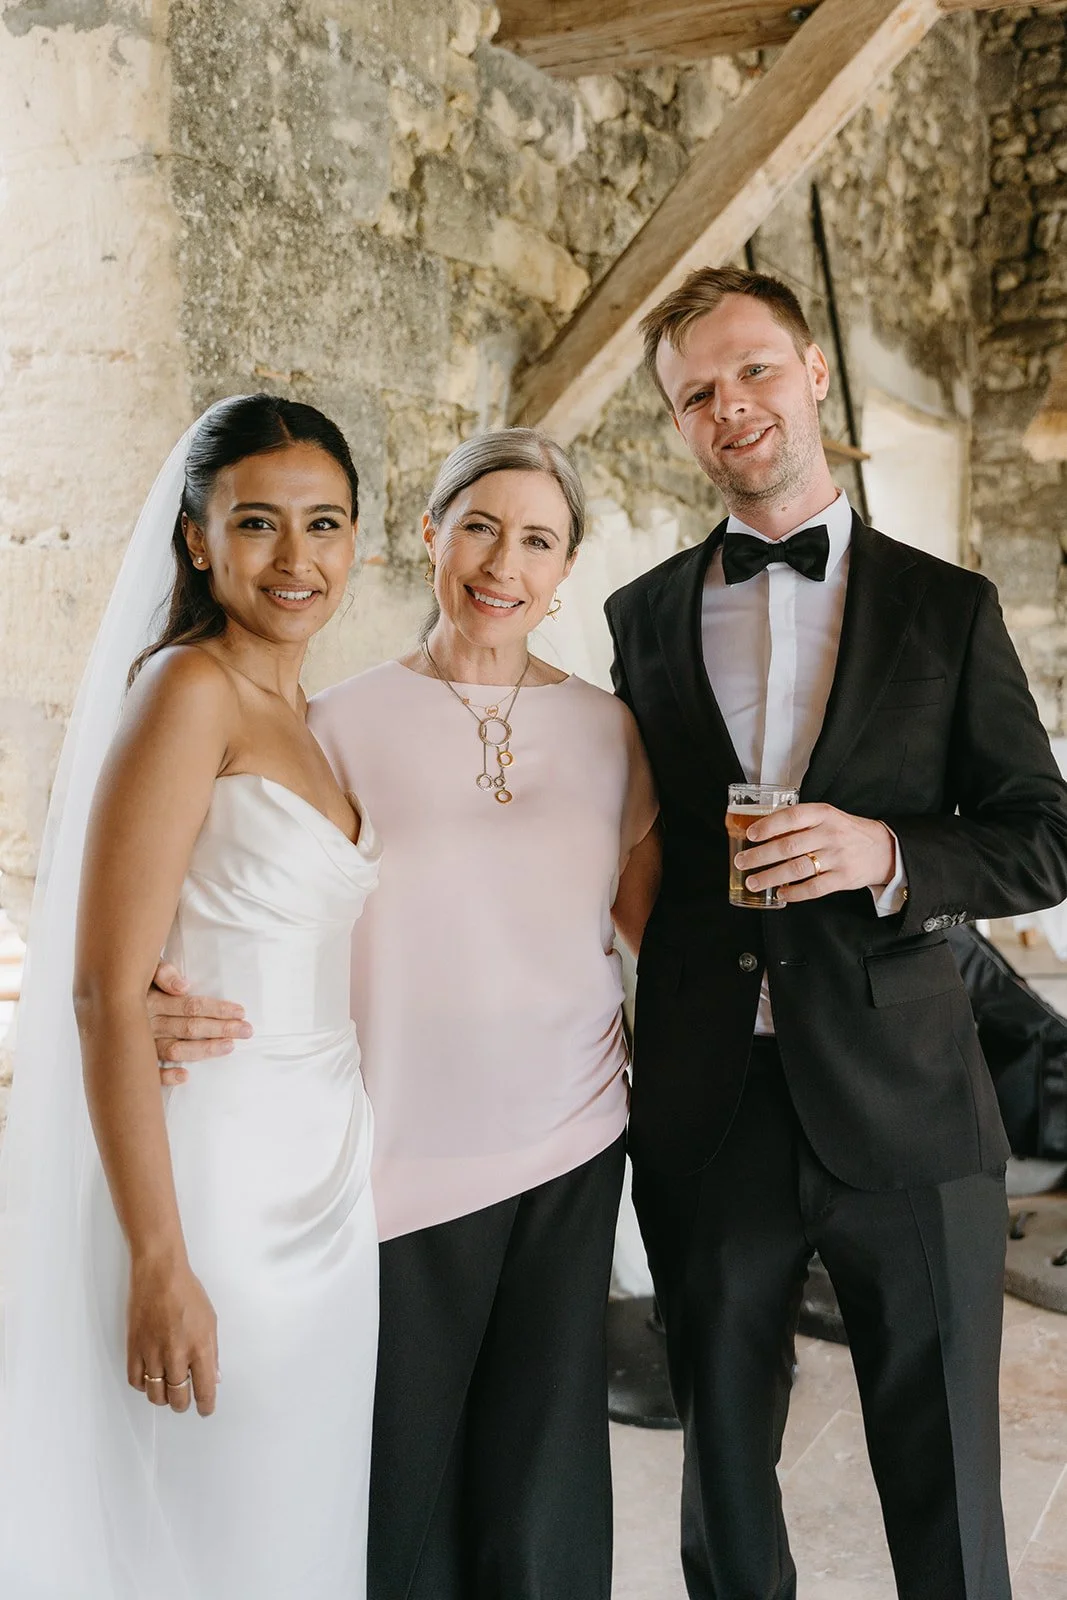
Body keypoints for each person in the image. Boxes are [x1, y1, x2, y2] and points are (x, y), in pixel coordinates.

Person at [605, 267, 1067, 1600]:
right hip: (708, 1105)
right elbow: (630, 840)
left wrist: (883, 856)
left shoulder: (945, 608)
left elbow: (1040, 835)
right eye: (694, 393)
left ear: (809, 376)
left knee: (942, 1487)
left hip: (909, 1108)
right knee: (723, 1481)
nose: (726, 405)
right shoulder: (637, 619)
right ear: (678, 427)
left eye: (750, 369)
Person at [149, 427, 661, 1600]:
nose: (502, 562)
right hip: (390, 1159)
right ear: (429, 535)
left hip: (572, 1144)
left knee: (543, 1489)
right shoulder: (334, 719)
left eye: (537, 539)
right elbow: (239, 898)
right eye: (478, 525)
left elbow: (658, 941)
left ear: (564, 567)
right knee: (400, 1487)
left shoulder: (608, 731)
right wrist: (140, 998)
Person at [0, 396, 381, 1600]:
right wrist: (160, 1261)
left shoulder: (316, 720)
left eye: (323, 524)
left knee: (297, 1511)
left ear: (358, 543)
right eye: (257, 523)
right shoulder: (188, 692)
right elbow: (107, 992)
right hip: (211, 1178)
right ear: (197, 540)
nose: (295, 557)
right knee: (211, 1515)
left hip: (327, 1167)